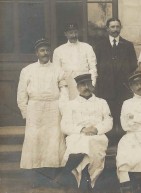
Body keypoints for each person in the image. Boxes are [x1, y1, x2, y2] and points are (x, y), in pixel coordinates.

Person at [17, 38, 68, 177]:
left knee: (54, 139)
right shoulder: (27, 70)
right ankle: (36, 175)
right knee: (35, 140)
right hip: (35, 109)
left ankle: (54, 174)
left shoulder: (58, 70)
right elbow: (21, 93)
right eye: (42, 50)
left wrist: (63, 110)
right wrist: (25, 112)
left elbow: (64, 92)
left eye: (47, 50)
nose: (45, 53)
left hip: (53, 108)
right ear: (36, 53)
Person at [57, 73, 113, 192]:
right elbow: (64, 126)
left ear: (92, 86)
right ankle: (87, 181)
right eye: (82, 85)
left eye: (88, 84)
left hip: (97, 136)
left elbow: (109, 122)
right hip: (78, 135)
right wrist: (81, 130)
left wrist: (96, 129)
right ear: (77, 88)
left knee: (90, 143)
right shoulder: (71, 104)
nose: (86, 87)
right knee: (84, 144)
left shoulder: (101, 102)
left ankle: (67, 171)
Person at [94, 18, 137, 135]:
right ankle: (110, 142)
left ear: (120, 28)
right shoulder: (99, 46)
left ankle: (122, 142)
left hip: (123, 89)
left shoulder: (128, 45)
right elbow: (95, 66)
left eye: (117, 27)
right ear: (107, 29)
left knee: (123, 117)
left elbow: (133, 66)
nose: (115, 29)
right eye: (112, 27)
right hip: (106, 89)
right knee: (108, 117)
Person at [53, 23, 97, 100]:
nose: (73, 35)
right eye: (70, 33)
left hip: (85, 86)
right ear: (65, 34)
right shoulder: (58, 51)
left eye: (75, 32)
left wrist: (92, 84)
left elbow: (93, 68)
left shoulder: (87, 47)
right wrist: (63, 90)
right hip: (68, 87)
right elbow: (57, 72)